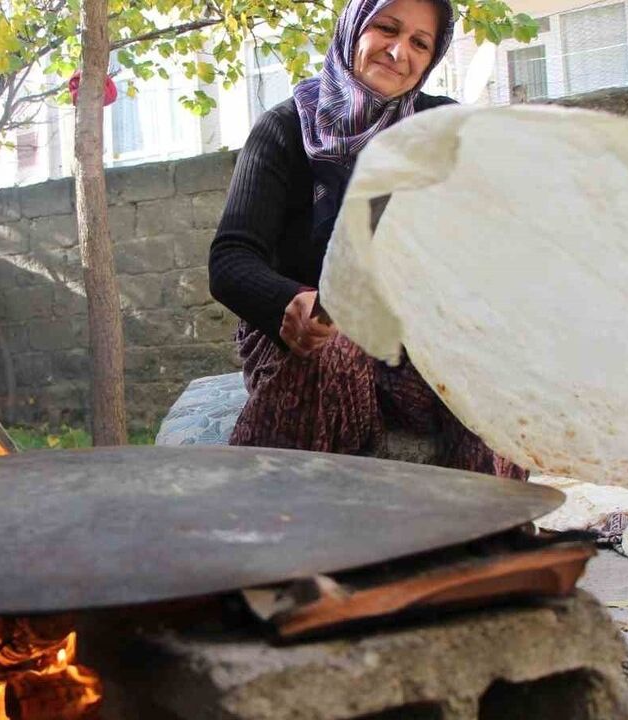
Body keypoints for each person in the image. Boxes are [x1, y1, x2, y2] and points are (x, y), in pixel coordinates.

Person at [208, 0, 526, 479]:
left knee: (489, 368)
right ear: (355, 28)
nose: (399, 52)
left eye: (420, 43)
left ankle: (484, 538)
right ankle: (271, 528)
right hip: (305, 343)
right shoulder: (284, 129)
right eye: (387, 29)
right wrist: (289, 302)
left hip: (408, 346)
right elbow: (231, 259)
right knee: (333, 346)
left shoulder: (438, 128)